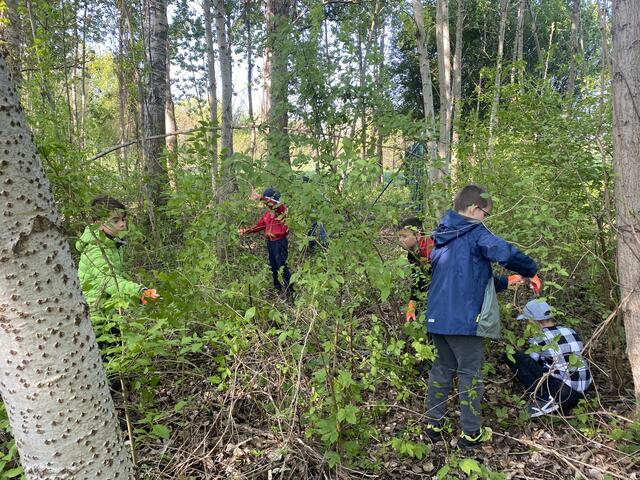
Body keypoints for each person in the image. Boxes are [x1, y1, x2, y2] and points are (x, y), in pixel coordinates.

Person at [424, 184, 541, 448]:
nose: (485, 220)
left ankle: (434, 425)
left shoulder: (443, 236)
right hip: (464, 321)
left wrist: (504, 282)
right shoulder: (474, 232)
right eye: (485, 214)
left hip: (438, 318)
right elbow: (504, 252)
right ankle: (471, 433)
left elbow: (464, 278)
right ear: (475, 209)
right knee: (469, 374)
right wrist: (530, 269)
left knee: (442, 369)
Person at [504, 299, 592, 418]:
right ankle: (561, 404)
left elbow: (531, 363)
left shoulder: (539, 338)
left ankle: (542, 398)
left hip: (564, 392)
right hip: (585, 390)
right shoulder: (569, 330)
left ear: (533, 321)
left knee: (512, 355)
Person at [76, 196, 159, 312]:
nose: (122, 224)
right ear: (99, 223)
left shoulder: (110, 243)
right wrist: (139, 292)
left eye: (123, 219)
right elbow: (109, 281)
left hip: (108, 308)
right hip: (94, 312)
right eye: (115, 221)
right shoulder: (96, 250)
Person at [238, 187, 293, 294]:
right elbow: (259, 226)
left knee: (282, 266)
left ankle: (291, 292)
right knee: (273, 266)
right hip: (270, 243)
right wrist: (244, 231)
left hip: (279, 243)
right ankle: (277, 288)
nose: (266, 205)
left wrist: (260, 197)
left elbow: (273, 204)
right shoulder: (268, 214)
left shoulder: (281, 209)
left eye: (266, 201)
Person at [398, 217, 434, 322]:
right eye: (399, 236)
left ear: (417, 236)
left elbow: (427, 282)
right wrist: (412, 305)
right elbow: (418, 281)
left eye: (404, 236)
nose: (400, 240)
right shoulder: (412, 253)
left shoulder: (430, 252)